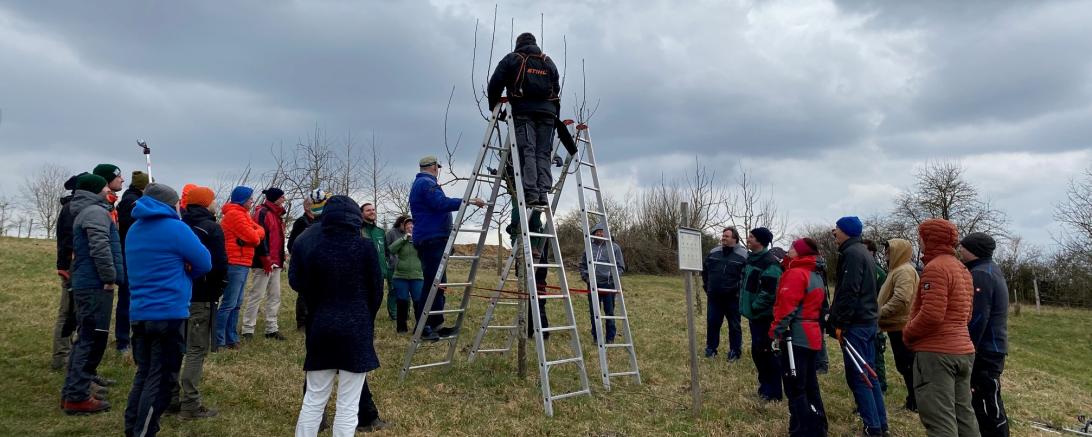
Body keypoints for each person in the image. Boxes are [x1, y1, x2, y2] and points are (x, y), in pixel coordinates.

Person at [289, 196, 384, 436]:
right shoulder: (365, 248)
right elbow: (376, 291)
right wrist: (364, 318)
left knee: (313, 399)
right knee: (348, 405)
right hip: (356, 329)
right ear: (356, 217)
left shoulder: (314, 248)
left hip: (321, 326)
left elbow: (302, 285)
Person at [123, 183, 211, 437]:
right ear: (170, 204)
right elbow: (204, 261)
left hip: (139, 313)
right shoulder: (176, 228)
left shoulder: (134, 230)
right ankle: (145, 431)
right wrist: (188, 270)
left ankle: (133, 427)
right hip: (169, 313)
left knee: (144, 374)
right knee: (161, 380)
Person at [903, 219, 978, 436]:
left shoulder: (935, 268)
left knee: (940, 420)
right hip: (963, 350)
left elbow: (932, 314)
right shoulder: (962, 268)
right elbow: (967, 314)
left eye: (921, 237)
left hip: (938, 354)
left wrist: (908, 333)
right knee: (964, 414)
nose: (919, 242)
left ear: (930, 239)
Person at [61, 173, 124, 415]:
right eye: (105, 185)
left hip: (88, 281)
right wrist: (109, 277)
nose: (109, 187)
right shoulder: (95, 213)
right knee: (90, 339)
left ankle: (72, 391)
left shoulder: (88, 211)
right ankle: (77, 396)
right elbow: (100, 247)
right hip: (94, 284)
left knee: (85, 338)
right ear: (97, 188)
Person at [409, 156, 485, 340]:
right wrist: (469, 201)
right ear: (435, 167)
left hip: (434, 238)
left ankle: (435, 324)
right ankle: (423, 328)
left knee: (439, 284)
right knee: (432, 284)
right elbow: (440, 204)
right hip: (431, 239)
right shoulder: (426, 183)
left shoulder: (424, 183)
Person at [167, 186, 226, 420]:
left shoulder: (178, 226)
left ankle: (170, 397)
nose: (215, 204)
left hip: (177, 295)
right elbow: (219, 264)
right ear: (205, 203)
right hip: (201, 296)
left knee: (175, 347)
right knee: (195, 350)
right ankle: (190, 404)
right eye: (212, 200)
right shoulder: (211, 228)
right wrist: (219, 287)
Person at [827, 216, 887, 436]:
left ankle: (872, 427)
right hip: (867, 321)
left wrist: (840, 323)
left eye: (837, 230)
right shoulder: (862, 252)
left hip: (856, 325)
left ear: (846, 232)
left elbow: (849, 291)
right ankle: (881, 423)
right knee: (870, 375)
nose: (834, 234)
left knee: (860, 376)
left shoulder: (852, 254)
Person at [487, 32, 562, 206]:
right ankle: (543, 192)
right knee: (543, 152)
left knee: (527, 149)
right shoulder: (548, 61)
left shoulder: (513, 58)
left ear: (518, 44)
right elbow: (556, 88)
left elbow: (496, 82)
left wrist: (494, 106)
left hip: (524, 111)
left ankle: (531, 192)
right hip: (548, 114)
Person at [769, 238, 828, 436]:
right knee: (811, 384)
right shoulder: (816, 273)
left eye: (793, 248)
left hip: (796, 337)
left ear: (801, 253)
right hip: (812, 334)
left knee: (795, 387)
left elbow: (786, 308)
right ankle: (819, 425)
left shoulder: (795, 274)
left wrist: (775, 331)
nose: (788, 250)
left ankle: (803, 429)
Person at [960, 232, 1009, 437]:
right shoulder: (988, 269)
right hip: (990, 347)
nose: (959, 251)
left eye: (963, 247)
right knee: (985, 398)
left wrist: (967, 347)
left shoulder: (981, 274)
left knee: (987, 401)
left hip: (986, 350)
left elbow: (978, 317)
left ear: (972, 250)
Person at [216, 186, 265, 349]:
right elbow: (255, 237)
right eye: (250, 198)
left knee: (237, 302)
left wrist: (252, 236)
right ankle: (219, 338)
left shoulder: (244, 214)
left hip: (243, 262)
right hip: (234, 262)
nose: (252, 201)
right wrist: (252, 236)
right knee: (229, 303)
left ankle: (231, 337)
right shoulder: (235, 215)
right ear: (242, 199)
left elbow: (260, 231)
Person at [740, 227, 783, 401]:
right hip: (754, 317)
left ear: (760, 241)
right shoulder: (751, 259)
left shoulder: (770, 262)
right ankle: (764, 386)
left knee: (767, 353)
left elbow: (770, 292)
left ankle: (773, 392)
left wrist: (756, 307)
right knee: (758, 352)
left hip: (764, 317)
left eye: (751, 236)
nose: (748, 239)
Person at [877, 238, 919, 411]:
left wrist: (880, 312)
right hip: (895, 326)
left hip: (902, 326)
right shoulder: (896, 270)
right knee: (904, 365)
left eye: (889, 249)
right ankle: (913, 400)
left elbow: (902, 299)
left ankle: (915, 403)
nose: (886, 253)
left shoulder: (904, 271)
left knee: (908, 366)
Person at [242, 187, 288, 341]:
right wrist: (265, 258)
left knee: (275, 296)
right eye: (282, 197)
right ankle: (247, 329)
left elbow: (278, 239)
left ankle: (271, 328)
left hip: (275, 261)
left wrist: (281, 258)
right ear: (275, 198)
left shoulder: (277, 215)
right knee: (257, 295)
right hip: (264, 262)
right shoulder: (262, 213)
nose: (284, 199)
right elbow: (259, 237)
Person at [52, 172, 87, 371]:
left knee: (75, 312)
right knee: (67, 312)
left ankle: (69, 355)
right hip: (72, 266)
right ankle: (61, 357)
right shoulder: (71, 209)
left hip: (74, 265)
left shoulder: (74, 207)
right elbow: (66, 240)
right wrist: (64, 267)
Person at [114, 170, 148, 356]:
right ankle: (122, 340)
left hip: (135, 255)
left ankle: (131, 337)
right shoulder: (130, 202)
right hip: (128, 255)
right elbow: (132, 224)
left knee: (133, 298)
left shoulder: (134, 199)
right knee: (127, 298)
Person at [701, 227, 747, 360]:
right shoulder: (713, 252)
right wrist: (707, 287)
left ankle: (735, 352)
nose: (723, 238)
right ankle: (711, 349)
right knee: (712, 323)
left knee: (734, 326)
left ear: (735, 238)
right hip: (714, 297)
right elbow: (705, 271)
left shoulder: (744, 255)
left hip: (733, 299)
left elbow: (745, 277)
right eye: (723, 236)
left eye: (726, 236)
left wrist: (738, 292)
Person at [578, 222, 626, 344]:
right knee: (595, 312)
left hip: (609, 285)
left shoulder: (614, 247)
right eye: (597, 232)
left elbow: (620, 266)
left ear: (606, 233)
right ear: (593, 234)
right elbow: (582, 265)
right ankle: (596, 337)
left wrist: (614, 278)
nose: (600, 233)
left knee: (609, 312)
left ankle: (610, 338)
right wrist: (586, 277)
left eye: (602, 231)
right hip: (593, 284)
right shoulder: (588, 247)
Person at [288, 190, 329, 331]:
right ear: (307, 207)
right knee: (304, 294)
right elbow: (292, 244)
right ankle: (302, 322)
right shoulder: (301, 222)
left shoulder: (325, 223)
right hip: (306, 263)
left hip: (322, 261)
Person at [862, 239, 889, 393]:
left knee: (877, 352)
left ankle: (882, 385)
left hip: (874, 317)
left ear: (872, 252)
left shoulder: (878, 272)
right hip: (865, 318)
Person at [388, 218, 423, 333]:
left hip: (417, 276)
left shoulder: (421, 240)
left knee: (418, 302)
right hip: (400, 276)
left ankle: (419, 328)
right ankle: (402, 328)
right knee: (402, 302)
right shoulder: (402, 240)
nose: (410, 227)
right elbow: (391, 249)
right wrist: (404, 239)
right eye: (407, 226)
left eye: (412, 226)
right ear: (405, 228)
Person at [360, 202, 393, 321]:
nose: (372, 212)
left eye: (373, 209)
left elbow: (386, 252)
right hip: (363, 273)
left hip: (379, 273)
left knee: (376, 300)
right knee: (363, 301)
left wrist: (387, 267)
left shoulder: (380, 232)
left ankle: (369, 323)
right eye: (368, 210)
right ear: (361, 214)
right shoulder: (358, 231)